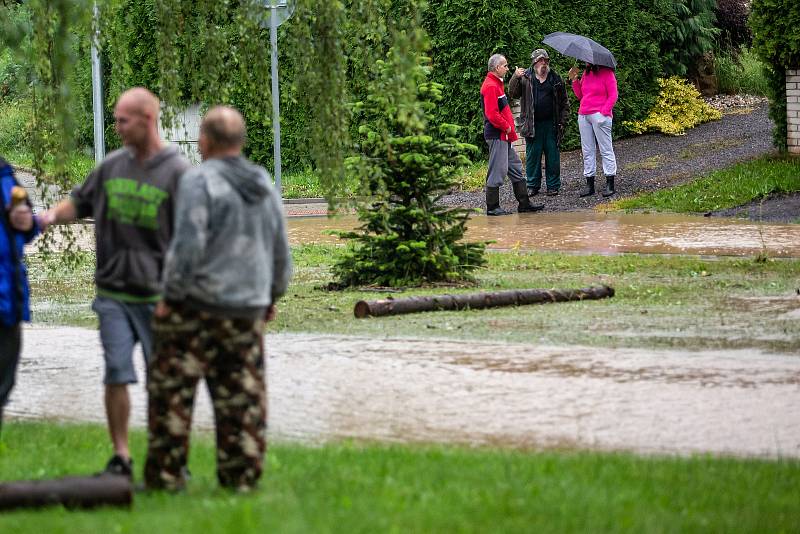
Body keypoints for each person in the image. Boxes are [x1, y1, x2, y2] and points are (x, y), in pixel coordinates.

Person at [39, 87, 191, 478]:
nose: (117, 127)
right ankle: (121, 457)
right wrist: (47, 217)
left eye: (124, 120)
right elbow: (79, 201)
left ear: (147, 120)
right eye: (116, 119)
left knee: (165, 383)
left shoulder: (178, 173)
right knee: (116, 371)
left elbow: (191, 241)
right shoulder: (111, 167)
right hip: (113, 294)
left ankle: (171, 458)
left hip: (159, 297)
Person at [144, 106, 291, 492]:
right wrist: (271, 295)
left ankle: (166, 476)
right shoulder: (263, 183)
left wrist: (170, 297)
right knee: (242, 398)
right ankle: (241, 478)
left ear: (204, 141)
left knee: (171, 394)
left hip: (197, 307)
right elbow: (280, 251)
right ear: (240, 141)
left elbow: (188, 245)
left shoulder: (199, 181)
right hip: (246, 309)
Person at [0, 158, 38, 436]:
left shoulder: (4, 173)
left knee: (4, 384)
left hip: (8, 303)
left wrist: (26, 223)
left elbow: (24, 228)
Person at [481, 53, 543, 216]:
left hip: (503, 135)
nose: (507, 69)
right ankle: (492, 207)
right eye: (505, 66)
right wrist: (507, 127)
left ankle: (524, 204)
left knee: (515, 167)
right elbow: (492, 114)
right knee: (497, 170)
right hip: (497, 135)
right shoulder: (490, 86)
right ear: (497, 68)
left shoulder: (496, 84)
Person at [508, 49, 570, 197]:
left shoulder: (555, 78)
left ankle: (553, 186)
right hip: (532, 124)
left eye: (546, 60)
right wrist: (515, 77)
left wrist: (563, 121)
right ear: (534, 62)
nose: (544, 63)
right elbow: (513, 93)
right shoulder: (525, 77)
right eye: (540, 60)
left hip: (551, 124)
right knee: (532, 157)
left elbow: (564, 102)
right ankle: (532, 186)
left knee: (552, 157)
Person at [568, 62, 619, 198]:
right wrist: (574, 80)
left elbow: (613, 95)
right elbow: (581, 95)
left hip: (600, 115)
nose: (585, 61)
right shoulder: (586, 73)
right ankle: (589, 184)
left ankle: (610, 183)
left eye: (588, 59)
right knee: (587, 150)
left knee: (605, 149)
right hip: (584, 115)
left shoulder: (607, 73)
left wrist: (604, 113)